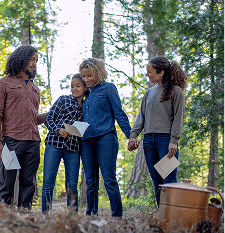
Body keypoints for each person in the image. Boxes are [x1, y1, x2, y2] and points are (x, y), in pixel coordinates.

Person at [127, 56, 187, 207]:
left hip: (165, 142)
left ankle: (172, 217)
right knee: (157, 181)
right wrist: (133, 135)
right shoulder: (149, 93)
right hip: (148, 142)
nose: (147, 74)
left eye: (150, 71)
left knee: (169, 180)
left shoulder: (176, 91)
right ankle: (161, 217)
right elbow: (141, 117)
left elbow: (178, 118)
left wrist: (174, 141)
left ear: (161, 72)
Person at [0, 45, 44, 209]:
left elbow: (34, 119)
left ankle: (25, 216)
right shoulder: (3, 83)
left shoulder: (35, 89)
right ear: (21, 58)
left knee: (28, 183)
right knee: (7, 182)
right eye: (31, 59)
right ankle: (3, 216)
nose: (34, 63)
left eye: (36, 60)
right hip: (11, 142)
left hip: (33, 142)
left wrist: (52, 113)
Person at [80, 57, 131, 217]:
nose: (86, 79)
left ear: (98, 73)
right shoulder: (84, 94)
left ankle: (117, 215)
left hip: (105, 138)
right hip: (86, 141)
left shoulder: (108, 88)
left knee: (109, 180)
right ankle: (91, 214)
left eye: (89, 75)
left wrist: (131, 135)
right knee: (90, 182)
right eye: (84, 76)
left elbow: (119, 113)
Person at [41, 74, 87, 213]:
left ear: (85, 87)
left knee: (72, 185)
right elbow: (48, 119)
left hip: (73, 147)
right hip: (54, 143)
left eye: (78, 86)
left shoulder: (87, 105)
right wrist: (58, 130)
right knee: (48, 182)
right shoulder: (63, 99)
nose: (74, 89)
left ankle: (72, 215)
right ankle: (45, 214)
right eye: (72, 86)